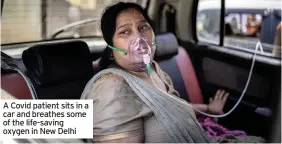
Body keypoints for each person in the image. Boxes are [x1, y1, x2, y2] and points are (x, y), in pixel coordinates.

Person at [81, 2, 265, 143]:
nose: (138, 38)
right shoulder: (112, 88)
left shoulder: (154, 70)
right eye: (125, 32)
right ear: (111, 47)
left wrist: (209, 109)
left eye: (143, 27)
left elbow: (175, 106)